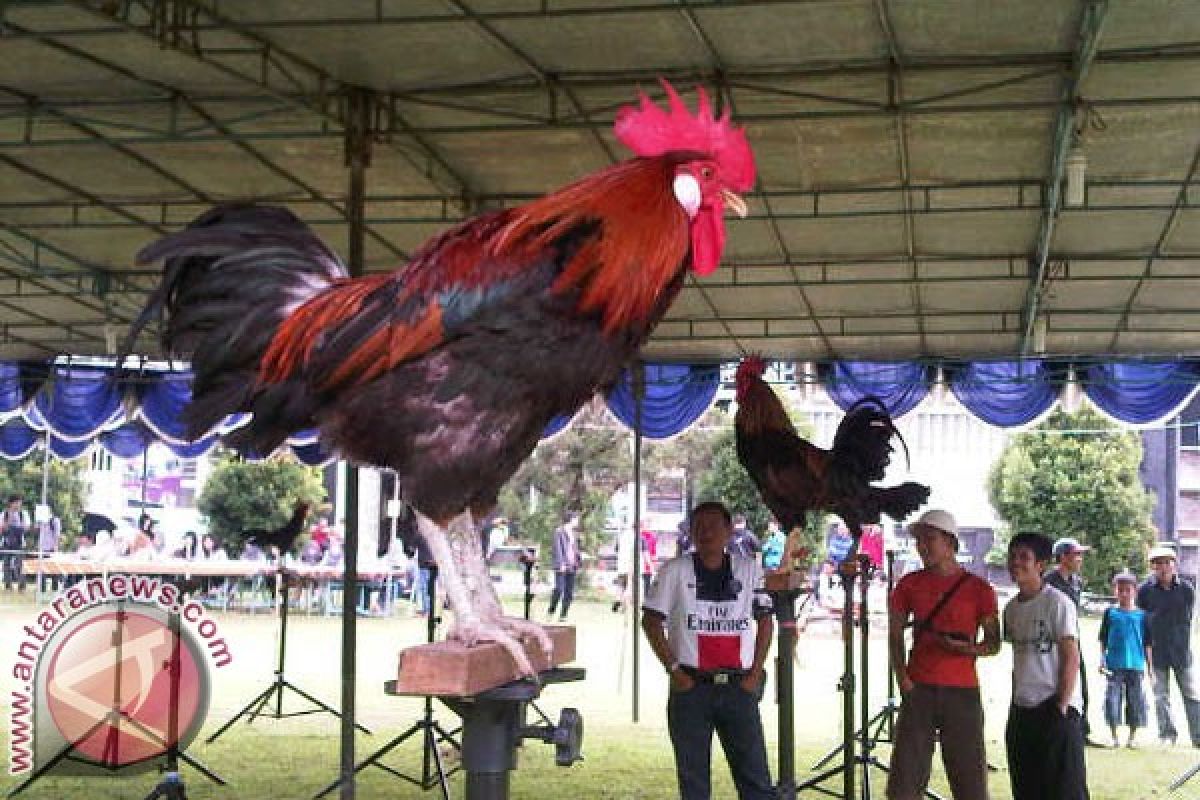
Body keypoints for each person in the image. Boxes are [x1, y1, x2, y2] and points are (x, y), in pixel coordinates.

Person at [641, 501, 775, 800]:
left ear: (729, 531)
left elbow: (766, 621)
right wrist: (674, 670)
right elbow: (650, 621)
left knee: (756, 781)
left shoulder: (749, 569)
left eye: (714, 526)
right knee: (694, 785)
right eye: (699, 526)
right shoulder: (674, 570)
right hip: (691, 688)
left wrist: (755, 673)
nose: (706, 533)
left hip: (738, 686)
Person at [886, 509, 1000, 800]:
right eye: (919, 540)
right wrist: (903, 678)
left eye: (930, 539)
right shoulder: (909, 584)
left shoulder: (979, 589)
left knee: (969, 779)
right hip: (918, 686)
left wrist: (967, 649)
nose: (923, 546)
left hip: (962, 691)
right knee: (905, 780)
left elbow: (994, 643)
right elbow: (895, 633)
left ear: (950, 542)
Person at [1003, 532, 1087, 800]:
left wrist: (1061, 706)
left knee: (1063, 791)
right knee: (1026, 788)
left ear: (1041, 565)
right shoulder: (1011, 609)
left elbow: (1071, 657)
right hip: (1022, 710)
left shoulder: (1058, 603)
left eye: (1024, 557)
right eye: (1012, 556)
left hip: (1055, 708)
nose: (1016, 562)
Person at [1137, 543, 1200, 747]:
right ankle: (1167, 736)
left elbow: (1187, 620)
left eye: (1166, 563)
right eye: (1157, 564)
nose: (1162, 567)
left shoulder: (1187, 589)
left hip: (1182, 652)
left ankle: (1198, 736)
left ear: (1174, 564)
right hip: (1156, 652)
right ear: (1152, 567)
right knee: (1160, 697)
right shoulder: (1144, 591)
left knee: (1191, 695)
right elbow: (1141, 621)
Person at [1046, 536, 1102, 746]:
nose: (1080, 559)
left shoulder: (1076, 582)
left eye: (1080, 555)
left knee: (1081, 682)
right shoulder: (1049, 582)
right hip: (1054, 641)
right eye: (1075, 554)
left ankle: (1081, 730)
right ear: (1062, 557)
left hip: (1073, 637)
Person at [1099, 570, 1152, 748]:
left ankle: (1132, 737)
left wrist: (1149, 667)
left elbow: (1147, 643)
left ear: (1134, 591)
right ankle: (1114, 736)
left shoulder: (1142, 616)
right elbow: (1103, 638)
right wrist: (1102, 660)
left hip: (1136, 664)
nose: (1123, 593)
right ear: (1115, 591)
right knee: (1112, 700)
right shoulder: (1110, 613)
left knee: (1135, 701)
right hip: (1114, 663)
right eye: (1120, 590)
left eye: (1127, 590)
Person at [547, 512, 582, 622]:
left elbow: (574, 548)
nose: (577, 521)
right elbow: (557, 548)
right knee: (559, 589)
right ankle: (551, 611)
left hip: (572, 565)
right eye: (576, 519)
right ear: (571, 519)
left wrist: (579, 558)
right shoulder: (559, 531)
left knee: (569, 591)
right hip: (562, 565)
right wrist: (561, 563)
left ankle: (563, 615)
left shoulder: (574, 533)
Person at [1, 495, 30, 591]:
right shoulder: (3, 514)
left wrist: (20, 525)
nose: (18, 505)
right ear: (11, 503)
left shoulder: (24, 514)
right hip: (6, 542)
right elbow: (1, 529)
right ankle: (8, 586)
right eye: (16, 502)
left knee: (20, 565)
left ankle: (22, 586)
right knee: (6, 565)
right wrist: (9, 519)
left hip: (20, 542)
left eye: (19, 502)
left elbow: (27, 528)